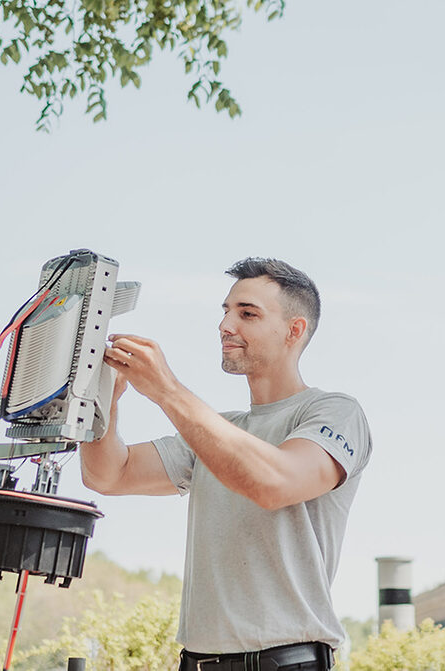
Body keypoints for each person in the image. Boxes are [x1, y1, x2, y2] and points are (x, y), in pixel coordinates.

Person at [79, 257, 371, 671]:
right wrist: (97, 399)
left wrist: (167, 391)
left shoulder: (335, 413)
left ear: (294, 330)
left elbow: (273, 483)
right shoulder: (218, 431)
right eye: (225, 312)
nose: (226, 326)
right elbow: (108, 474)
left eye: (247, 313)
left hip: (287, 662)